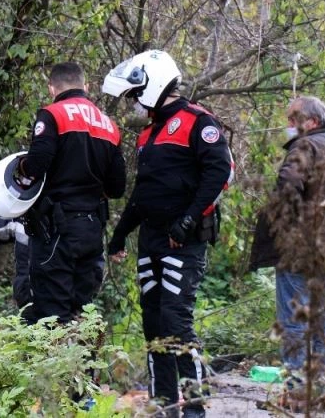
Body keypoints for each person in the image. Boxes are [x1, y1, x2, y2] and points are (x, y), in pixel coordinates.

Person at [102, 50, 233, 418]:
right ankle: (162, 408)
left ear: (157, 82)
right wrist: (119, 234)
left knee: (177, 324)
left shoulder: (198, 121)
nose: (134, 100)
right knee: (154, 326)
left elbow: (219, 172)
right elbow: (143, 192)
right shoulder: (148, 133)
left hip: (183, 241)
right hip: (151, 239)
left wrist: (189, 220)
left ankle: (194, 410)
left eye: (136, 91)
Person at [249, 96, 325, 398]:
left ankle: (297, 392)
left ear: (311, 122)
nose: (288, 125)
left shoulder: (305, 146)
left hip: (299, 252)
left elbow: (287, 189)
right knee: (323, 321)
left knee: (294, 321)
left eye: (293, 118)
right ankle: (324, 388)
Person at [15, 62, 126, 324]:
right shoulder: (109, 125)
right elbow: (117, 188)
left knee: (51, 317)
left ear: (52, 87)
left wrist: (22, 167)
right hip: (91, 230)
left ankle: (58, 365)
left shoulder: (52, 115)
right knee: (81, 315)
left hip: (56, 231)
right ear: (85, 86)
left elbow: (37, 165)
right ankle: (82, 365)